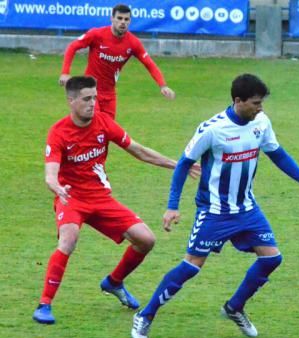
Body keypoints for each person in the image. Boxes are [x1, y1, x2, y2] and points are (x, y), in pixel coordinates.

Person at [131, 74, 299, 338]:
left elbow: (278, 155)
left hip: (247, 208)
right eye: (256, 103)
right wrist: (172, 206)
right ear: (238, 101)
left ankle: (235, 307)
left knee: (272, 258)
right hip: (215, 212)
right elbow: (183, 164)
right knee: (191, 266)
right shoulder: (212, 129)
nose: (261, 108)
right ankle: (145, 315)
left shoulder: (261, 122)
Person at [33, 76, 199, 324]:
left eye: (95, 97)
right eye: (87, 99)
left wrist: (178, 166)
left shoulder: (103, 122)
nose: (93, 103)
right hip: (71, 198)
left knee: (146, 240)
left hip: (101, 198)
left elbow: (139, 151)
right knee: (68, 239)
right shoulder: (58, 132)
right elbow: (50, 174)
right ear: (71, 101)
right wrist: (55, 185)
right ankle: (44, 305)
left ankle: (114, 282)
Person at [59, 3, 175, 119]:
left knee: (107, 130)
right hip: (91, 90)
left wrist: (163, 85)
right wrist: (65, 72)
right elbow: (72, 47)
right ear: (112, 18)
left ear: (130, 21)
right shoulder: (97, 34)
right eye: (119, 18)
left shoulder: (133, 43)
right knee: (96, 125)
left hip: (109, 94)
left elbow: (149, 64)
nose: (123, 22)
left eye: (126, 19)